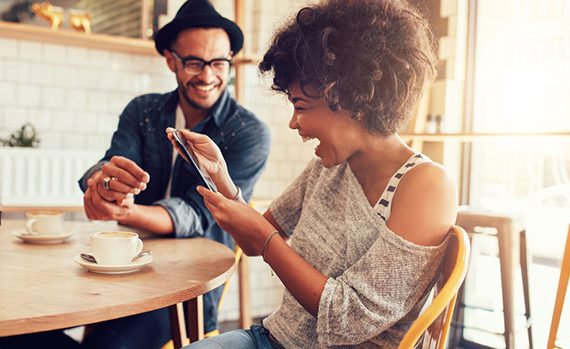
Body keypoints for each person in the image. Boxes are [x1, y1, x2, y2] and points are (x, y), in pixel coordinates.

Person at [167, 0, 457, 347]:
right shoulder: (326, 168)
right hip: (272, 339)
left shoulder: (427, 185)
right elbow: (252, 240)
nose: (294, 123)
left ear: (346, 96)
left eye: (300, 106)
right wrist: (222, 180)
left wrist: (266, 240)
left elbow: (350, 317)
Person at [77, 0, 270, 348]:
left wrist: (125, 211)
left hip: (191, 284)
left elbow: (195, 215)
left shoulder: (248, 132)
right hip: (124, 263)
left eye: (219, 63)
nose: (209, 76)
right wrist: (101, 186)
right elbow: (109, 166)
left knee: (109, 344)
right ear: (171, 60)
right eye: (195, 62)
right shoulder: (143, 110)